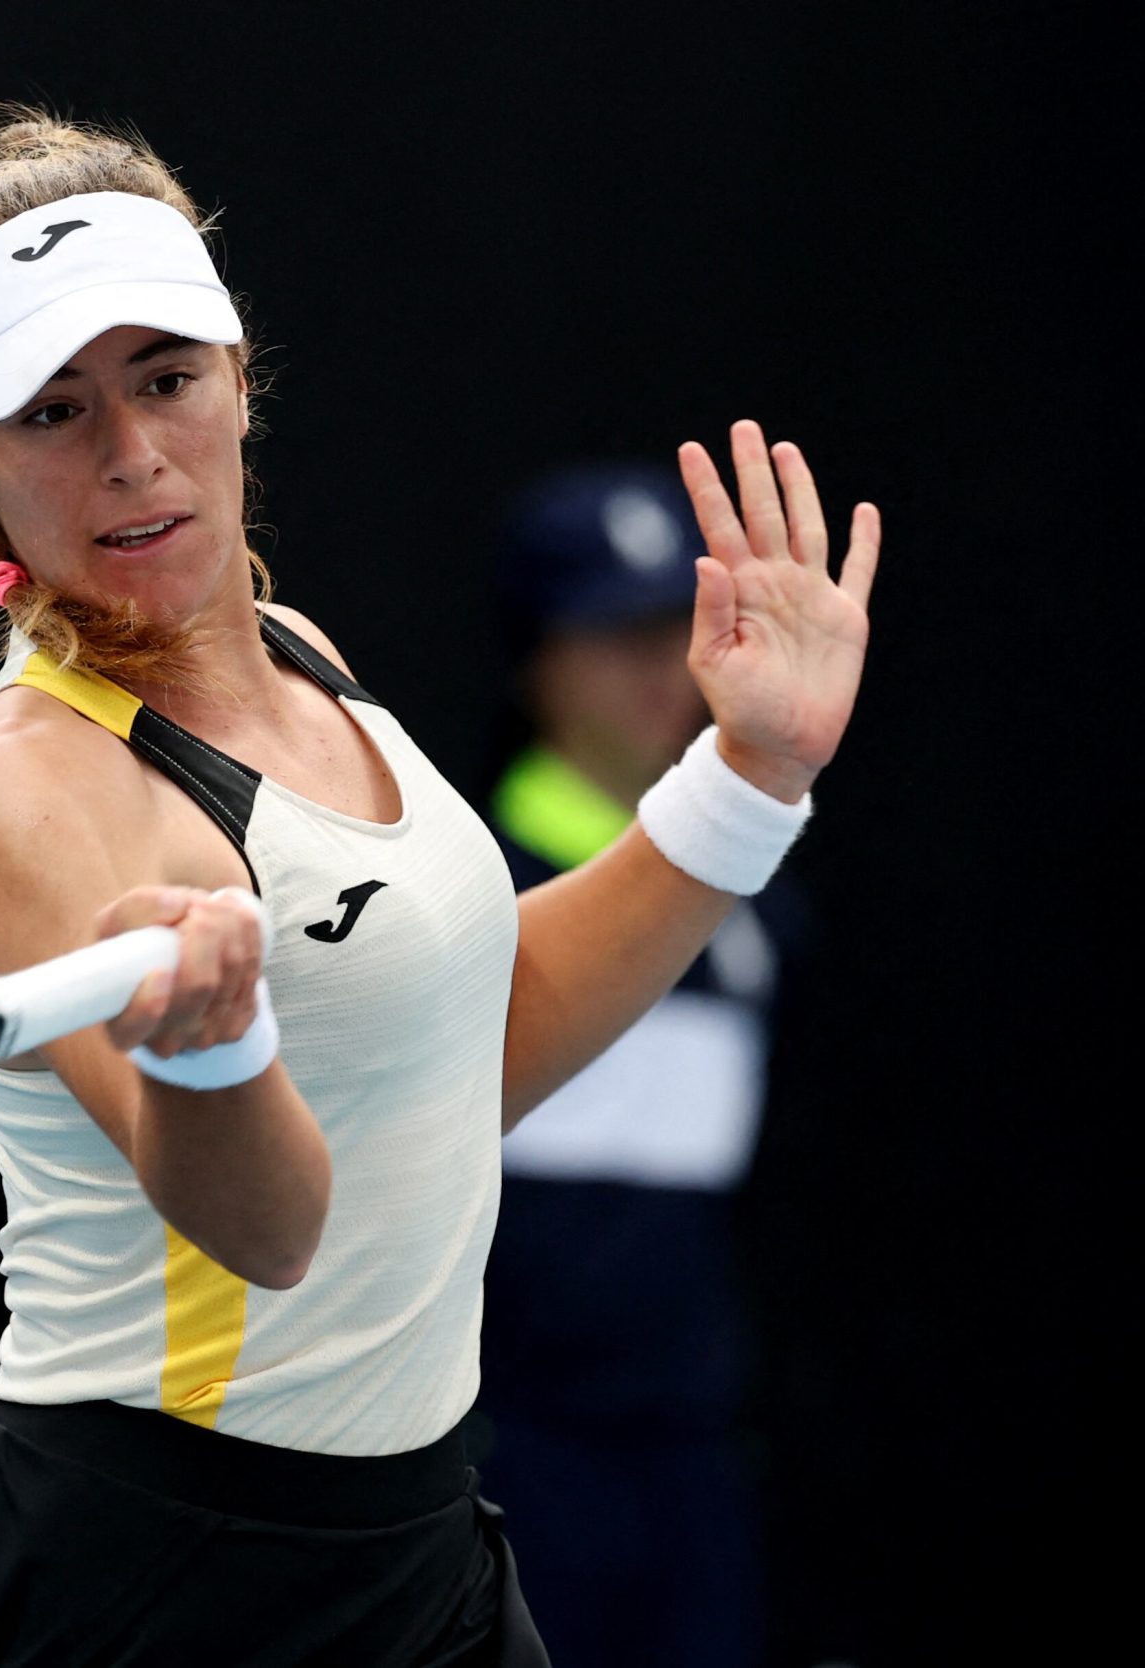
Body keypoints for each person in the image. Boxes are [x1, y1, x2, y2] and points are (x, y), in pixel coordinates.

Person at [0, 109, 880, 1668]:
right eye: (51, 411)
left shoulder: (303, 655)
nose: (129, 454)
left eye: (165, 378)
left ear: (240, 375)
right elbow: (263, 1234)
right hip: (149, 1585)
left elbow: (470, 1052)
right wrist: (213, 1057)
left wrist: (749, 778)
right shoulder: (24, 795)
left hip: (417, 1551)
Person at [472, 463, 805, 1666]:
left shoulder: (761, 908)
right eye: (618, 636)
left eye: (681, 632)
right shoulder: (455, 892)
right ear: (539, 659)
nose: (662, 670)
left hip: (690, 1463)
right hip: (502, 1463)